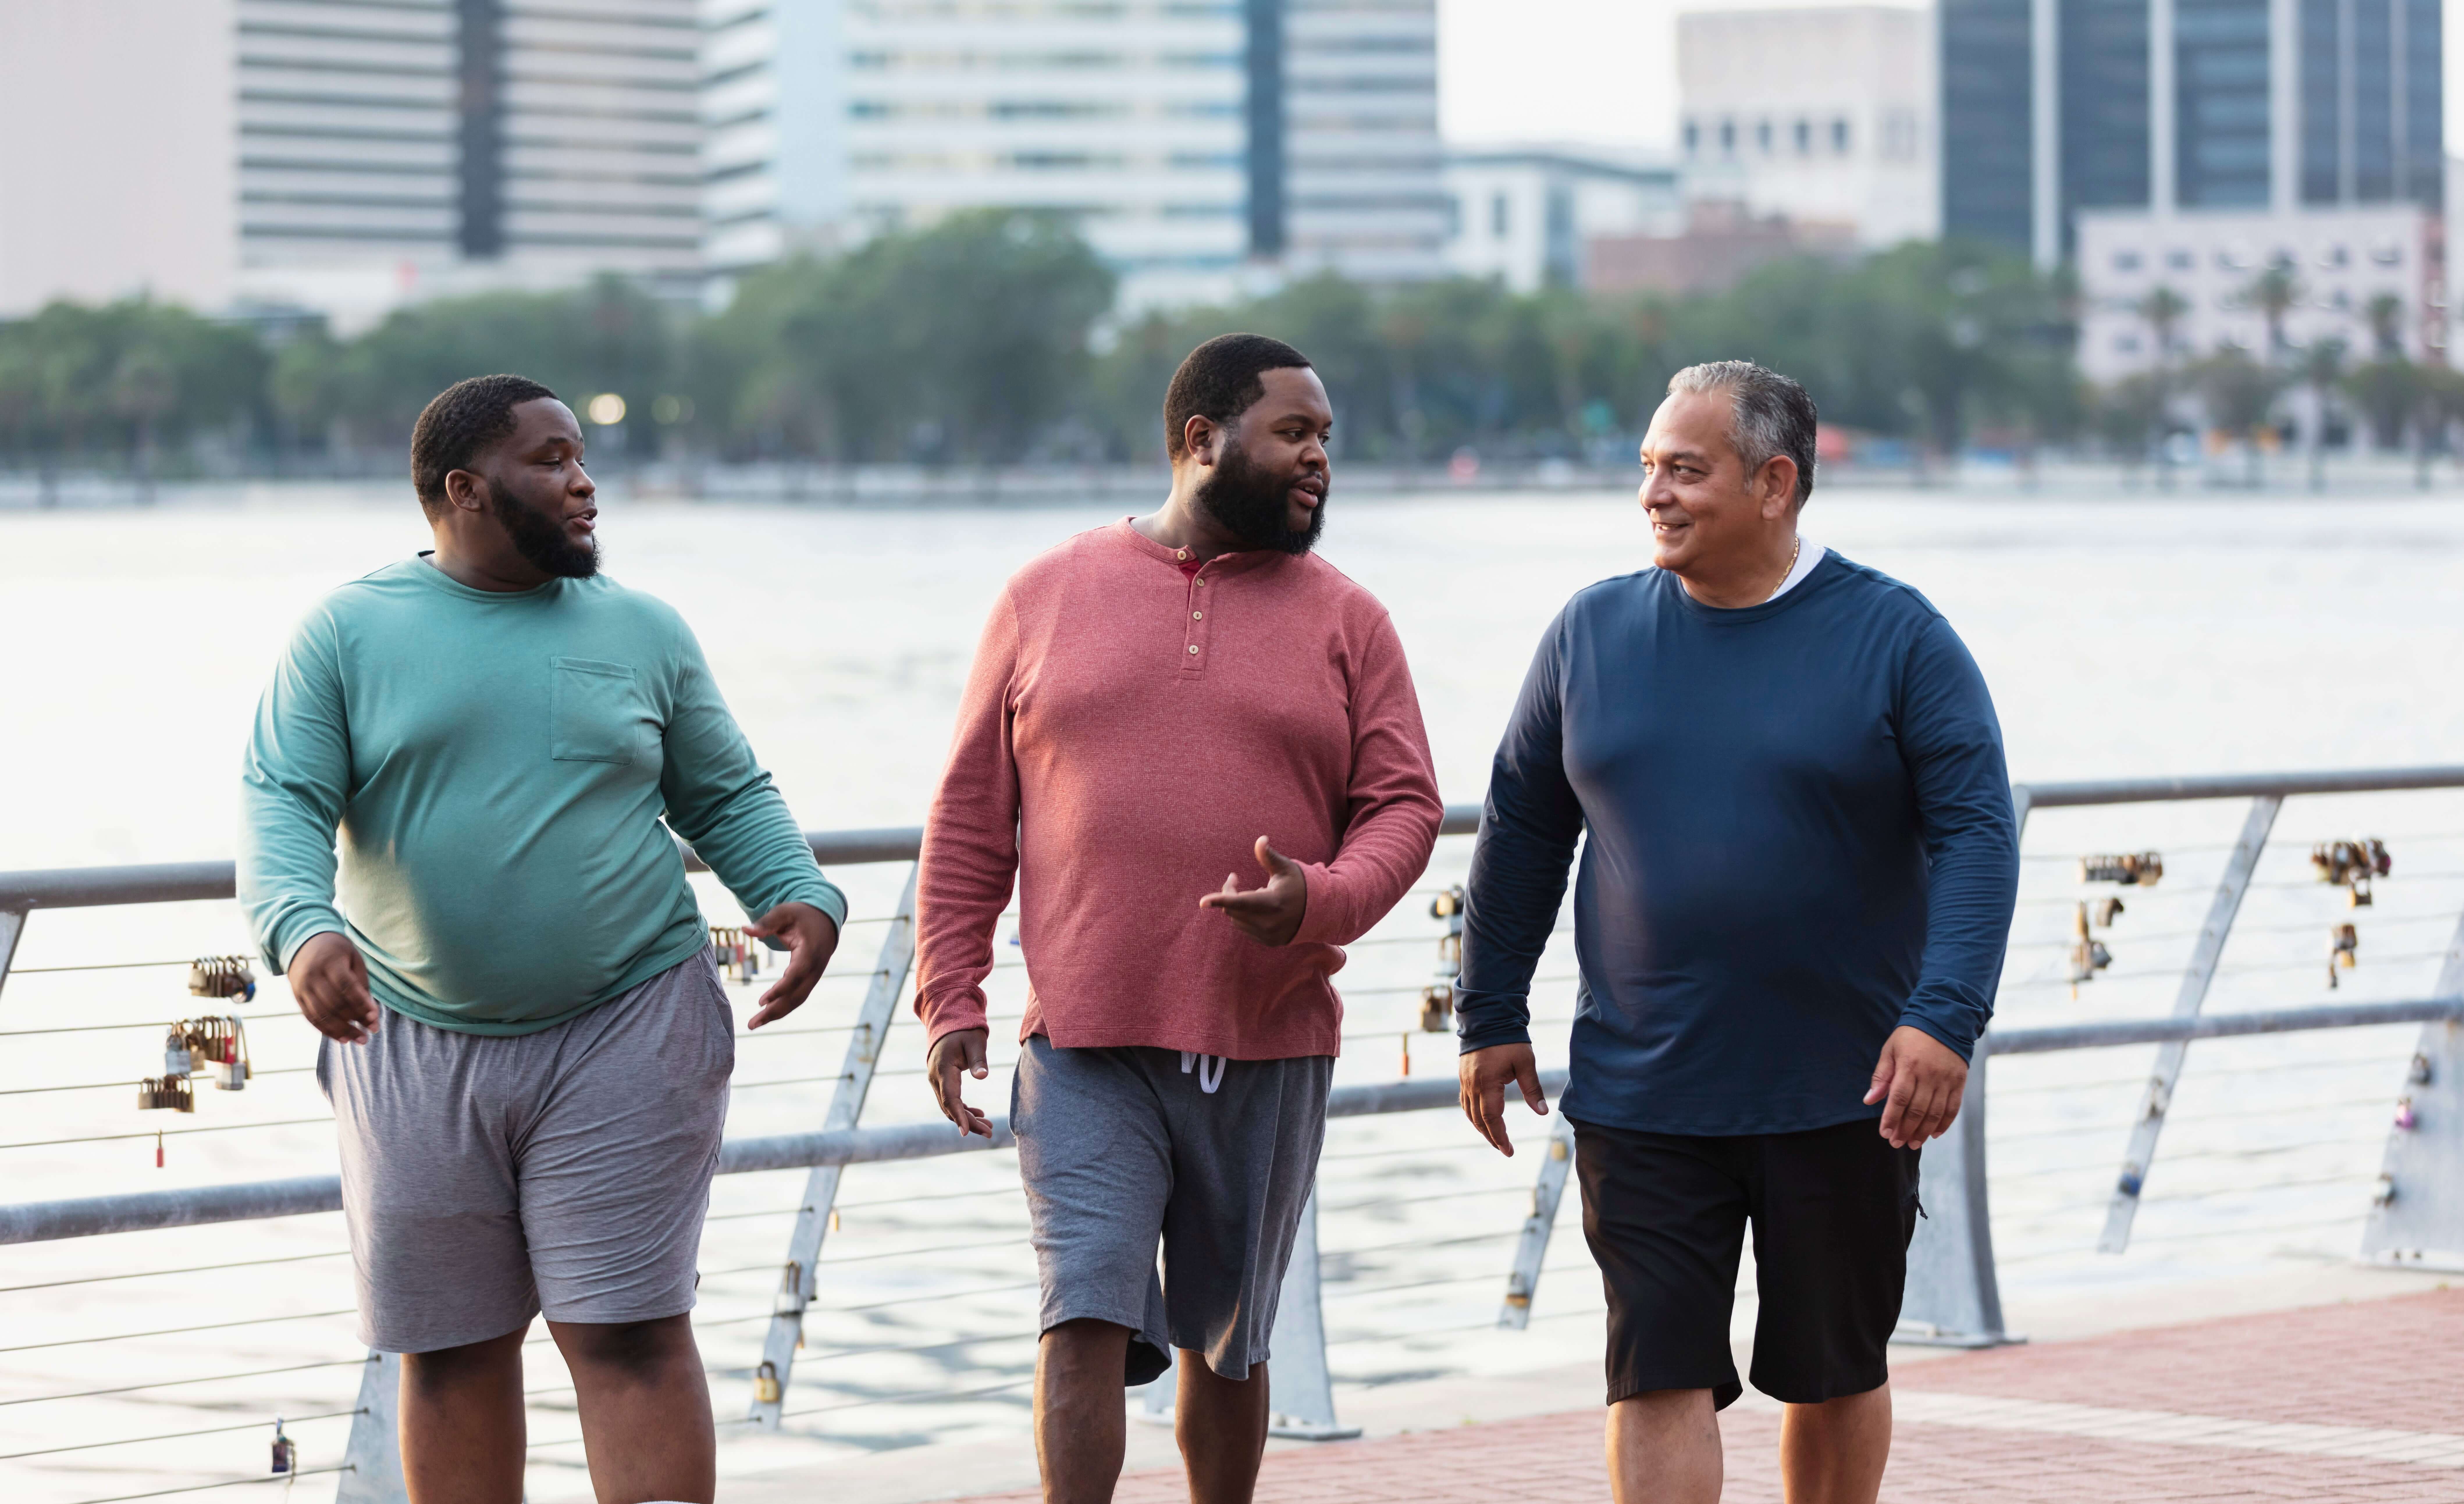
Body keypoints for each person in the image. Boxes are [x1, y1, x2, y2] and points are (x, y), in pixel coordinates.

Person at [238, 374, 846, 1504]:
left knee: (627, 1334)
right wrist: (301, 927)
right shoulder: (346, 631)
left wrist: (797, 893)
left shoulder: (642, 628)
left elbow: (725, 791)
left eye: (581, 457)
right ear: (465, 490)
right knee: (455, 1351)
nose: (585, 482)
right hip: (409, 1041)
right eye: (553, 460)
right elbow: (280, 800)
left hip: (630, 1024)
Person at [1454, 361, 2018, 1504]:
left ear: (1775, 483)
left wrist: (1944, 1019)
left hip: (1848, 1088)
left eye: (1686, 470)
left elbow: (1977, 835)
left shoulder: (1897, 637)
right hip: (1642, 1088)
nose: (1655, 492)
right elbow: (1520, 830)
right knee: (1652, 1373)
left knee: (1831, 1372)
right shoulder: (1591, 633)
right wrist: (1490, 1011)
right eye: (1649, 467)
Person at [916, 334, 1442, 1504]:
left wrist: (1323, 900)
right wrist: (953, 995)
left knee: (1229, 1340)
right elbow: (966, 816)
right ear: (1202, 442)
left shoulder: (1350, 620)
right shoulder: (1042, 596)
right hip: (1087, 1041)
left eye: (1326, 441)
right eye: (1292, 434)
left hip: (1270, 1039)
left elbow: (1403, 806)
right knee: (1083, 1310)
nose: (1318, 461)